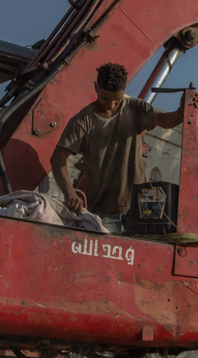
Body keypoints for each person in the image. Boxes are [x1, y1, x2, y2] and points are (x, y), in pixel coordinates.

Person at [50, 62, 184, 231]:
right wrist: (69, 193)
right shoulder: (82, 121)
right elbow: (57, 159)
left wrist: (181, 112)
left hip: (140, 209)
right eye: (105, 99)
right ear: (96, 88)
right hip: (103, 213)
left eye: (117, 99)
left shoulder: (136, 108)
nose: (111, 105)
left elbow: (163, 120)